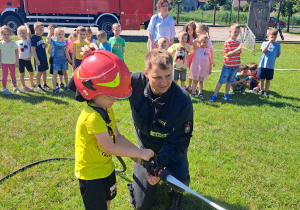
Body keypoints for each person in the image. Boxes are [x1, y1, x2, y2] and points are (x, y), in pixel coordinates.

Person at [80, 46, 193, 210]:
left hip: (170, 150)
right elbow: (102, 78)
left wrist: (157, 165)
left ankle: (175, 194)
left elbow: (179, 142)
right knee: (141, 206)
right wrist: (95, 58)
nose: (164, 82)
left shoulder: (182, 101)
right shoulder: (134, 83)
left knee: (181, 182)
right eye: (157, 77)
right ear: (146, 74)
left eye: (169, 76)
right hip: (144, 150)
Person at [68, 50, 154, 210]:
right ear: (92, 92)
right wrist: (139, 153)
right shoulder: (92, 117)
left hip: (107, 168)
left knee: (107, 203)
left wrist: (136, 153)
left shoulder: (107, 109)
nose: (114, 99)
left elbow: (117, 136)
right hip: (91, 175)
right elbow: (110, 147)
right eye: (109, 95)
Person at [209, 23, 242, 102]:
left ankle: (226, 94)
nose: (236, 33)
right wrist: (237, 49)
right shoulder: (227, 42)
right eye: (235, 31)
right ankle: (214, 95)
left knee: (229, 81)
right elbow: (228, 54)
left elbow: (238, 55)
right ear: (230, 32)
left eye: (238, 32)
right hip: (227, 66)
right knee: (221, 81)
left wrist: (238, 65)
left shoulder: (238, 43)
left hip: (234, 67)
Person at [257, 28, 281, 97]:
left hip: (270, 65)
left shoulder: (278, 45)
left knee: (268, 79)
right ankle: (261, 90)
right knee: (262, 79)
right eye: (272, 37)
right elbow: (263, 51)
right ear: (268, 36)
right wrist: (268, 43)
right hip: (263, 65)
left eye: (275, 37)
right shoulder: (264, 43)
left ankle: (266, 91)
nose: (274, 38)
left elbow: (278, 54)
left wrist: (272, 58)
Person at [48, 28, 72, 93]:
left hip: (64, 60)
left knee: (65, 73)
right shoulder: (53, 43)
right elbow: (49, 51)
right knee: (55, 74)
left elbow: (66, 52)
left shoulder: (64, 43)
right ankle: (55, 88)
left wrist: (68, 59)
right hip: (56, 60)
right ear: (55, 35)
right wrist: (53, 56)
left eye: (62, 34)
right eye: (59, 34)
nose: (61, 35)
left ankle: (67, 86)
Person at [189, 35, 212, 99]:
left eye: (207, 42)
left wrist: (210, 68)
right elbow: (194, 43)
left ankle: (200, 93)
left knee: (201, 81)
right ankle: (193, 93)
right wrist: (197, 39)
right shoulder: (197, 48)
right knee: (195, 80)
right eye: (204, 42)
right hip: (196, 66)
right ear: (199, 42)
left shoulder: (208, 50)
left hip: (203, 67)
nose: (206, 43)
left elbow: (210, 60)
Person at [0, 25, 20, 95]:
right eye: (4, 34)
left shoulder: (13, 43)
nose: (6, 36)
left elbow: (17, 53)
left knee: (13, 76)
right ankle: (4, 89)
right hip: (4, 63)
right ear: (1, 34)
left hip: (12, 63)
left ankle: (15, 87)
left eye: (7, 34)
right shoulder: (0, 44)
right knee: (4, 76)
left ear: (10, 34)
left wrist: (17, 62)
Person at [31, 21, 50, 92]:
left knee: (44, 71)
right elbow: (33, 49)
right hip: (38, 58)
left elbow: (40, 46)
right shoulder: (34, 38)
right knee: (39, 72)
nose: (41, 31)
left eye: (42, 30)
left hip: (44, 58)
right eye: (40, 30)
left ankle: (44, 84)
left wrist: (44, 45)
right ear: (35, 29)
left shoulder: (40, 37)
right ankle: (38, 85)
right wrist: (36, 59)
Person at [16, 23, 35, 91]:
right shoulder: (17, 42)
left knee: (31, 73)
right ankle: (23, 86)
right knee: (22, 74)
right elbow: (15, 52)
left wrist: (26, 26)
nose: (22, 34)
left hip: (28, 60)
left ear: (26, 33)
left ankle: (32, 83)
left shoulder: (28, 40)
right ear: (18, 34)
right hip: (20, 60)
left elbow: (29, 32)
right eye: (20, 33)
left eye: (23, 32)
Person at [46, 24, 64, 89]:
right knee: (55, 72)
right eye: (51, 28)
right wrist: (49, 32)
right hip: (54, 58)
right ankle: (55, 83)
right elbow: (48, 41)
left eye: (53, 28)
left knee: (61, 72)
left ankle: (61, 83)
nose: (52, 30)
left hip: (60, 58)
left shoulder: (60, 37)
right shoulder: (51, 37)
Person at [185, 21, 197, 91]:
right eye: (188, 29)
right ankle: (183, 84)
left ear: (194, 30)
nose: (189, 31)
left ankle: (190, 85)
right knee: (183, 71)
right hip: (186, 57)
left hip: (193, 57)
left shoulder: (195, 39)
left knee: (191, 72)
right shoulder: (185, 38)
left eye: (191, 29)